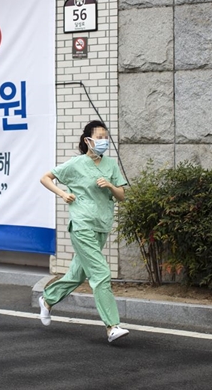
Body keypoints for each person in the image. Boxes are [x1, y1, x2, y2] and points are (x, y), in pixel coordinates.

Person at [38, 120, 129, 343]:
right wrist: (62, 194)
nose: (103, 140)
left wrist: (110, 185)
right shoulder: (76, 164)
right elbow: (45, 178)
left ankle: (48, 299)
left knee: (77, 275)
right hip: (82, 225)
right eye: (99, 137)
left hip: (101, 226)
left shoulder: (110, 165)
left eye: (105, 137)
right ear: (88, 140)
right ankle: (112, 326)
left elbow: (122, 196)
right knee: (101, 274)